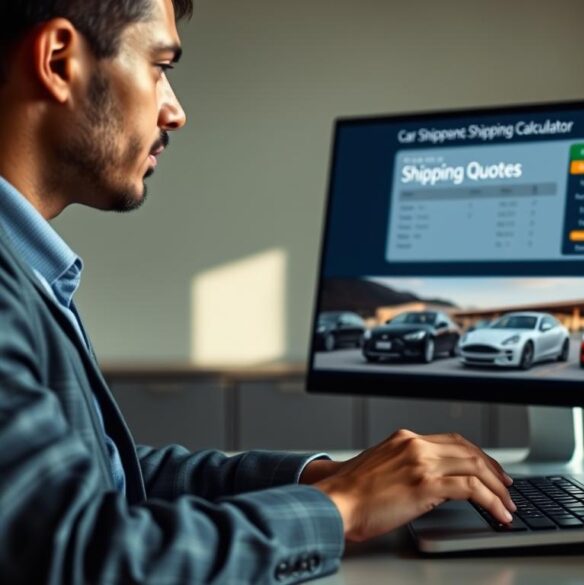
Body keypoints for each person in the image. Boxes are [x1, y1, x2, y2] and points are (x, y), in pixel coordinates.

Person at [0, 1, 515, 582]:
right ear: (58, 60)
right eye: (159, 66)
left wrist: (322, 479)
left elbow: (112, 476)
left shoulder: (26, 268)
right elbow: (79, 558)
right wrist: (342, 510)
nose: (175, 111)